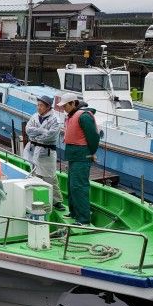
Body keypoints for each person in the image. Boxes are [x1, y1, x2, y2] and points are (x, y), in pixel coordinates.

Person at [59, 92, 100, 225]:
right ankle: (74, 212)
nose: (64, 108)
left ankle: (83, 219)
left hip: (81, 156)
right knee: (71, 185)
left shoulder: (84, 116)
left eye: (65, 105)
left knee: (79, 186)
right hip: (73, 155)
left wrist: (91, 153)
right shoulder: (72, 115)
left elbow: (93, 137)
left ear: (73, 103)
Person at [22, 95, 64, 210]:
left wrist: (36, 136)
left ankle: (57, 201)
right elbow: (28, 130)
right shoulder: (35, 116)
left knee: (50, 177)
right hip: (33, 150)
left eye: (41, 105)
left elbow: (51, 135)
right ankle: (37, 198)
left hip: (47, 152)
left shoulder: (55, 119)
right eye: (38, 105)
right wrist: (40, 131)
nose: (38, 107)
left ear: (48, 107)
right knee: (35, 174)